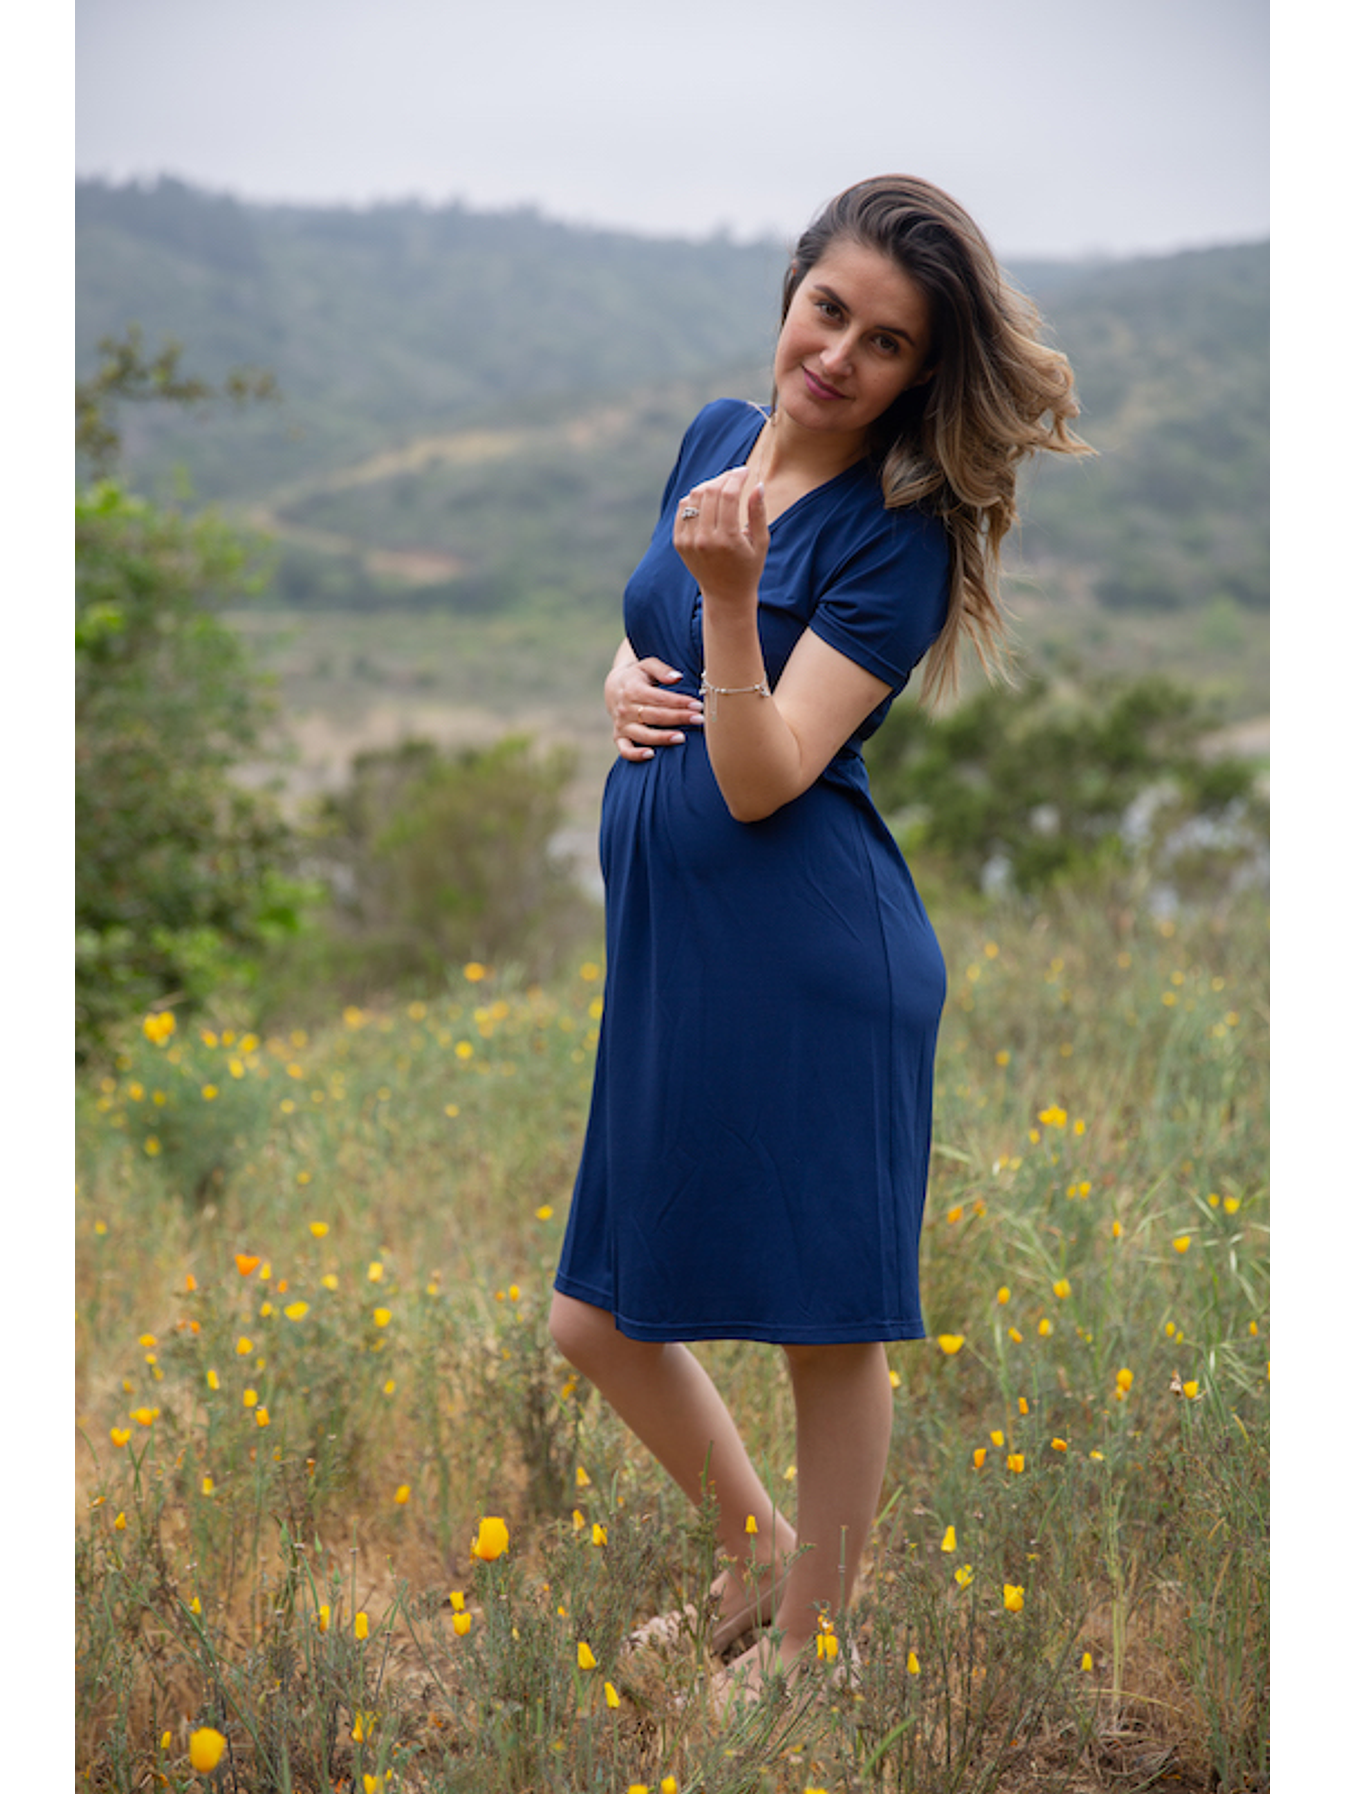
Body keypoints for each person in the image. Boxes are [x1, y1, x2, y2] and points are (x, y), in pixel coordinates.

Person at [549, 175, 1088, 1700]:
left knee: (822, 1324)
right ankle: (750, 1556)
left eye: (887, 341)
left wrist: (728, 602)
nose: (839, 354)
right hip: (680, 961)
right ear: (791, 292)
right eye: (828, 309)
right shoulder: (714, 437)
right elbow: (649, 612)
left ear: (921, 373)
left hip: (809, 964)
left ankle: (807, 1649)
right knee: (592, 1317)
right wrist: (618, 675)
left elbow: (763, 770)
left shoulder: (896, 540)